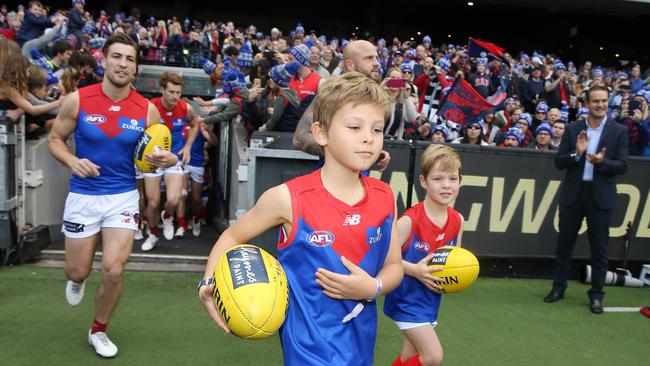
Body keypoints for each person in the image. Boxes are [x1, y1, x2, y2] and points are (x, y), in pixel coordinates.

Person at [198, 73, 403, 365]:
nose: (368, 137)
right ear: (321, 134)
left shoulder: (384, 196)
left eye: (378, 129)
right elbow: (231, 236)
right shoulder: (288, 198)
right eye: (355, 127)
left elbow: (394, 265)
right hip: (307, 352)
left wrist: (374, 287)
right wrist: (208, 280)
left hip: (360, 346)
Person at [47, 33, 178, 357]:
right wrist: (72, 161)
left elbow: (159, 155)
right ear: (105, 60)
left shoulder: (147, 110)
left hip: (121, 196)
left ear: (136, 68)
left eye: (129, 59)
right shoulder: (78, 99)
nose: (122, 63)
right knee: (76, 270)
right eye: (117, 56)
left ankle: (98, 329)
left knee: (114, 269)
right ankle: (77, 279)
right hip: (82, 196)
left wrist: (170, 159)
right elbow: (54, 139)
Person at [544, 85, 629, 314]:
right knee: (564, 244)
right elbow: (560, 161)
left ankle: (597, 295)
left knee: (599, 249)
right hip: (574, 193)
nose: (600, 105)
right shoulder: (573, 129)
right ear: (587, 104)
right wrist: (578, 153)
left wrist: (602, 163)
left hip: (601, 196)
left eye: (603, 101)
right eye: (595, 101)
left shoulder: (618, 131)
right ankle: (558, 288)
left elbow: (622, 165)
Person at [384, 144, 464, 366]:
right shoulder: (410, 221)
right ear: (423, 181)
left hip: (430, 301)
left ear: (460, 181)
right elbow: (382, 257)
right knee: (432, 356)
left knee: (410, 358)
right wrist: (415, 270)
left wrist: (455, 278)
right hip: (405, 300)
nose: (446, 185)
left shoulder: (458, 220)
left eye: (453, 179)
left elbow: (453, 261)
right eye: (438, 179)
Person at [292, 40, 390, 169]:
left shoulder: (374, 95)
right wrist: (341, 151)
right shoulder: (332, 92)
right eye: (369, 58)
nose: (376, 63)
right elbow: (300, 138)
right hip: (329, 183)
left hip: (358, 184)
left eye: (376, 58)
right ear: (350, 65)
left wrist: (373, 153)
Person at [141, 71, 199, 250]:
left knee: (174, 200)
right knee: (152, 202)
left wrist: (188, 146)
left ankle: (167, 216)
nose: (175, 96)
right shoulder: (151, 107)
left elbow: (195, 124)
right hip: (152, 159)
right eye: (172, 92)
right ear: (162, 90)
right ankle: (152, 234)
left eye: (178, 93)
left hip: (173, 158)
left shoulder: (185, 108)